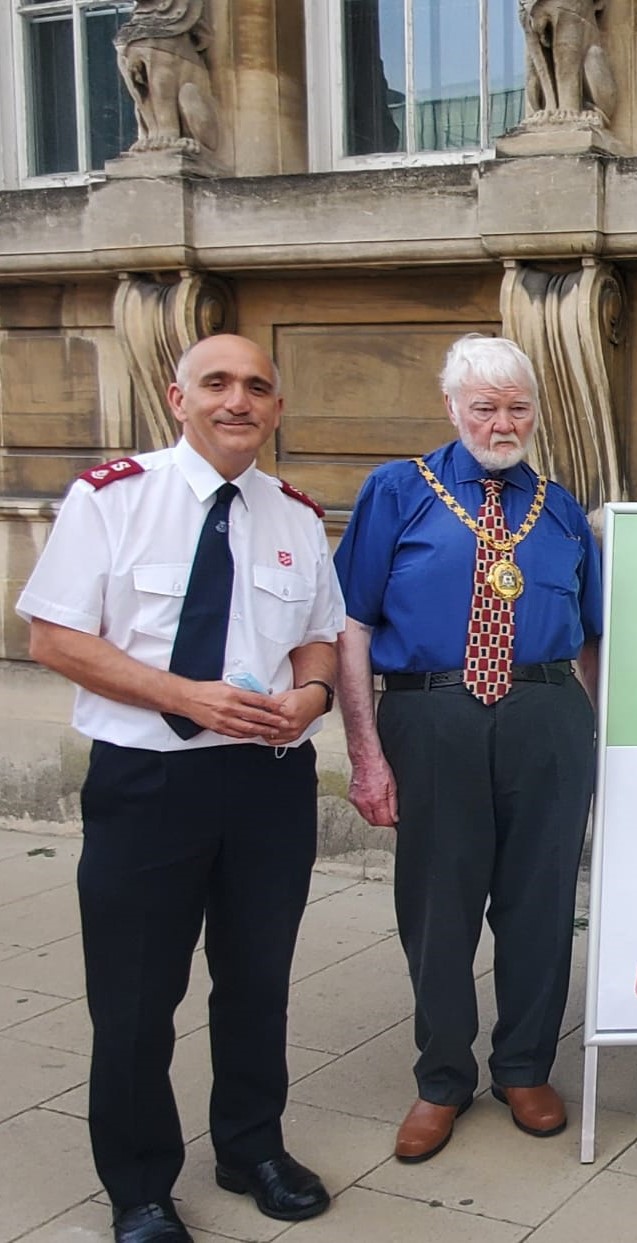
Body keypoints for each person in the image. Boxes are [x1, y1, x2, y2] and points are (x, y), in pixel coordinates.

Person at [16, 335, 344, 1242]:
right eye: (218, 384)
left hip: (268, 784)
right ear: (178, 397)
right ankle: (139, 1184)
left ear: (276, 409)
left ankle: (250, 1145)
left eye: (257, 387)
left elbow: (320, 635)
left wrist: (312, 694)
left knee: (257, 981)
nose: (238, 400)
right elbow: (54, 637)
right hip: (150, 782)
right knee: (133, 995)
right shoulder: (112, 498)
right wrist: (180, 694)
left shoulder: (295, 514)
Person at [335, 334, 600, 1163]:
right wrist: (366, 753)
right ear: (451, 407)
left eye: (517, 405)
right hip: (433, 713)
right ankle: (442, 1077)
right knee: (438, 909)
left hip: (548, 713)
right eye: (484, 405)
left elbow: (594, 639)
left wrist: (599, 736)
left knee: (541, 904)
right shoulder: (397, 491)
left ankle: (524, 1066)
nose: (502, 420)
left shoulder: (561, 507)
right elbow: (349, 625)